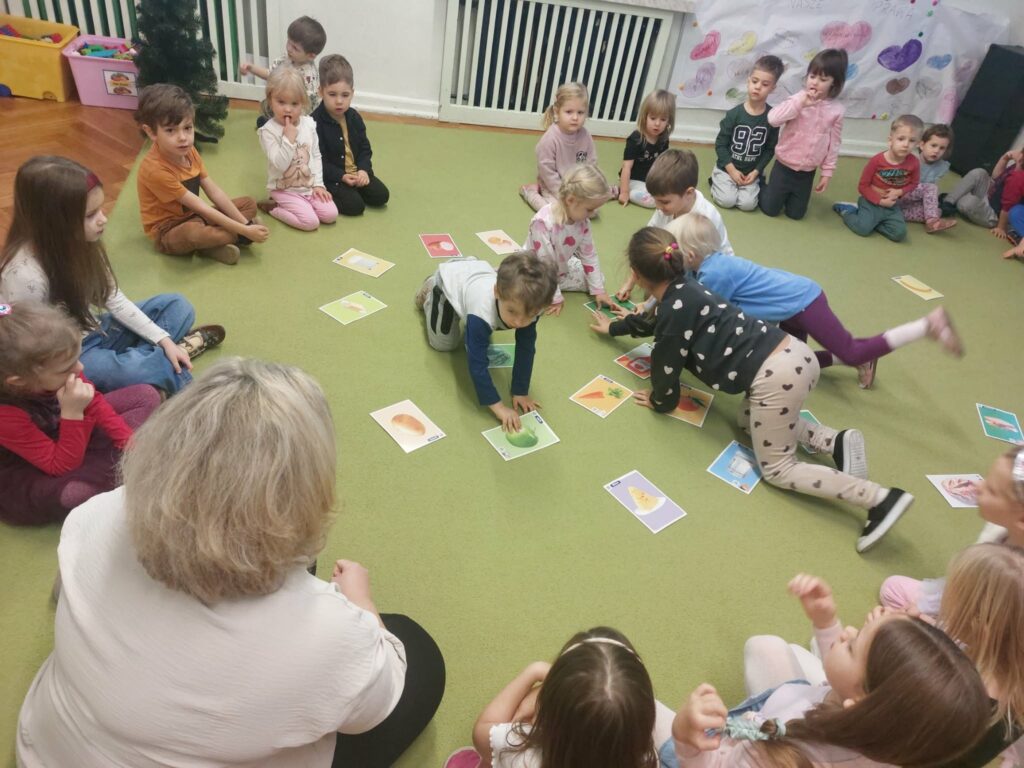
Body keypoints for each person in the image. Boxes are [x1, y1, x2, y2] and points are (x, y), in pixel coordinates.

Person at [16, 357, 446, 768]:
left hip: (45, 750)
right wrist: (362, 605)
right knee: (418, 653)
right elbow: (372, 710)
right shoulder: (329, 636)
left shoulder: (96, 512)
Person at [592, 227, 913, 553]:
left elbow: (666, 362)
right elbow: (654, 322)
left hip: (776, 376)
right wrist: (615, 327)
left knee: (778, 469)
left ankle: (879, 498)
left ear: (636, 275)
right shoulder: (687, 286)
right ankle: (833, 440)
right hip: (793, 353)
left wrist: (661, 399)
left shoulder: (673, 308)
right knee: (747, 419)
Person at [665, 573, 990, 767]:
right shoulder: (882, 733)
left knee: (646, 713)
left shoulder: (775, 757)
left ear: (860, 703)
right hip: (790, 711)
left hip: (737, 745)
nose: (846, 631)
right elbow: (840, 679)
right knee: (766, 646)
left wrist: (685, 739)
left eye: (852, 645)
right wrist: (825, 623)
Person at [0, 155, 223, 394]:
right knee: (135, 370)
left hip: (97, 329)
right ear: (53, 221)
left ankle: (155, 363)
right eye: (90, 215)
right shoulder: (24, 276)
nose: (103, 219)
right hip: (71, 357)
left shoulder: (79, 243)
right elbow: (32, 354)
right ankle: (164, 365)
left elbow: (112, 298)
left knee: (179, 306)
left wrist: (162, 339)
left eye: (100, 209)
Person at [666, 213, 963, 389]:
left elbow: (707, 315)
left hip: (804, 301)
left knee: (851, 350)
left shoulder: (714, 273)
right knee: (793, 361)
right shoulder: (707, 265)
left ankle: (926, 325)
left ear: (690, 255)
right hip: (789, 305)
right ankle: (855, 358)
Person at [0, 301, 159, 526]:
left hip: (72, 429)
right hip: (36, 465)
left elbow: (96, 404)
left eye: (78, 359)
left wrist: (130, 444)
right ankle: (112, 470)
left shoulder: (66, 371)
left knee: (145, 395)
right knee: (75, 493)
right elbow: (60, 466)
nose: (80, 369)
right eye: (67, 368)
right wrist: (72, 413)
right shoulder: (6, 415)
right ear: (19, 382)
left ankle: (114, 467)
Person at [444, 627, 675, 768]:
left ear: (547, 714)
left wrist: (534, 671)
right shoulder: (647, 757)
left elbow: (482, 731)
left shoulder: (522, 754)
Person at [415, 251, 556, 432]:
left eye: (529, 315)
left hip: (477, 274)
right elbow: (477, 365)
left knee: (483, 332)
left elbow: (526, 349)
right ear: (497, 292)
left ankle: (470, 265)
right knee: (443, 344)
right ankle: (432, 286)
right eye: (512, 311)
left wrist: (520, 391)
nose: (519, 322)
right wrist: (498, 407)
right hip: (452, 279)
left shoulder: (531, 306)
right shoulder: (481, 312)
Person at [135, 84, 269, 265]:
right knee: (193, 234)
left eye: (187, 128)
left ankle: (213, 244)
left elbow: (214, 192)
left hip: (195, 216)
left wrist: (244, 225)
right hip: (169, 230)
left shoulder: (188, 151)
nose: (183, 137)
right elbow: (202, 207)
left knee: (248, 203)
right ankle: (223, 239)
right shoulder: (155, 170)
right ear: (151, 132)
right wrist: (245, 230)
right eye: (170, 130)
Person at [616, 148, 734, 303]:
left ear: (689, 193)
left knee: (661, 299)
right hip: (681, 263)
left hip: (709, 276)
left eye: (664, 202)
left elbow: (703, 270)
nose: (658, 207)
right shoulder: (666, 208)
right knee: (651, 290)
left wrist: (649, 304)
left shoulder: (704, 218)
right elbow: (649, 243)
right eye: (655, 200)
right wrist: (630, 283)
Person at [759, 49, 847, 220]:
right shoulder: (797, 99)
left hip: (807, 172)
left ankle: (787, 197)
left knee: (796, 214)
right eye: (812, 76)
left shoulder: (837, 111)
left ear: (834, 84)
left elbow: (834, 143)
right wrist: (801, 104)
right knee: (770, 210)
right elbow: (773, 119)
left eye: (823, 79)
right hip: (783, 167)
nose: (815, 82)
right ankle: (762, 184)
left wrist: (827, 172)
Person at [526, 163, 614, 315]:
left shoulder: (583, 222)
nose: (593, 214)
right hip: (535, 270)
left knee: (599, 279)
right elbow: (545, 264)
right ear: (570, 200)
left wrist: (598, 290)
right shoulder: (542, 223)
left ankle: (555, 285)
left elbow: (589, 255)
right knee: (529, 293)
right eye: (589, 209)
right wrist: (555, 297)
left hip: (558, 269)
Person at [256, 67, 338, 230]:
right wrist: (288, 140)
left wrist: (319, 184)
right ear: (270, 100)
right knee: (311, 223)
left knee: (331, 215)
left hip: (309, 186)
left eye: (294, 103)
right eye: (281, 102)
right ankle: (273, 207)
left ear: (303, 102)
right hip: (283, 190)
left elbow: (315, 155)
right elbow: (280, 165)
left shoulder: (309, 125)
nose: (288, 109)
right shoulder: (268, 131)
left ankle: (306, 204)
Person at [313, 54, 391, 216]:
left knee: (381, 196)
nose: (339, 101)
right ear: (321, 91)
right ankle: (339, 195)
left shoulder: (354, 117)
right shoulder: (315, 122)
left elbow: (365, 149)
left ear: (352, 93)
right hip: (334, 178)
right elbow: (318, 161)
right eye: (332, 94)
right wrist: (341, 176)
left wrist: (363, 170)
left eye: (345, 95)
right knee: (355, 207)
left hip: (357, 173)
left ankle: (355, 190)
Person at [832, 115, 922, 242]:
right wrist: (880, 201)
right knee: (862, 229)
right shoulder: (877, 161)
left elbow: (914, 183)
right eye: (901, 139)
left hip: (892, 205)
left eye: (912, 141)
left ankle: (873, 222)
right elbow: (863, 186)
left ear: (917, 144)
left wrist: (899, 192)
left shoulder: (914, 162)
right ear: (890, 140)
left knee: (899, 234)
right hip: (871, 202)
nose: (906, 144)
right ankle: (848, 210)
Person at [711, 55, 783, 212]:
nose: (757, 87)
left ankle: (750, 184)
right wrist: (731, 170)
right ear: (748, 81)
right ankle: (716, 179)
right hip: (727, 169)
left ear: (773, 88)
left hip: (751, 172)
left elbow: (770, 149)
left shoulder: (773, 118)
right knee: (727, 201)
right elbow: (721, 144)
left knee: (748, 205)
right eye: (755, 81)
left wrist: (756, 172)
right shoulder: (734, 114)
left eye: (765, 84)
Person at [520, 82, 598, 212]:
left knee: (592, 211)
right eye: (569, 112)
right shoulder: (550, 138)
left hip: (576, 188)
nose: (575, 117)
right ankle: (530, 192)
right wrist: (563, 194)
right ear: (557, 111)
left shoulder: (585, 136)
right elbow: (546, 170)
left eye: (580, 112)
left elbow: (591, 163)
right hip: (552, 187)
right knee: (554, 212)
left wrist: (586, 187)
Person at [239, 15, 326, 127]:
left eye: (295, 48)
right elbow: (270, 75)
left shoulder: (308, 76)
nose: (289, 48)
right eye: (289, 42)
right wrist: (251, 68)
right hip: (282, 104)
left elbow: (306, 107)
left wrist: (291, 123)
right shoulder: (287, 58)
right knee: (264, 116)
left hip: (299, 115)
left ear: (310, 56)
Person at [943, 147, 1024, 258]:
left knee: (966, 202)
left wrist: (1001, 227)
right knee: (979, 172)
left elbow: (1008, 206)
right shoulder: (1018, 165)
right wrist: (1005, 158)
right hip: (990, 197)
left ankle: (956, 198)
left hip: (997, 215)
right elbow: (996, 178)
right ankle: (947, 202)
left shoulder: (1019, 177)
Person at [618, 89, 675, 208]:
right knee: (653, 202)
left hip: (650, 181)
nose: (657, 124)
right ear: (645, 117)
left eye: (663, 119)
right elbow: (626, 167)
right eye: (653, 118)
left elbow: (662, 166)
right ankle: (623, 191)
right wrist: (624, 192)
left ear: (669, 121)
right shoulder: (636, 139)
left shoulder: (663, 139)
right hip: (633, 181)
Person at [897, 123, 957, 233]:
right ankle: (932, 222)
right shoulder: (911, 160)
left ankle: (895, 213)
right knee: (931, 188)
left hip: (913, 201)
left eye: (942, 148)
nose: (936, 151)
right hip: (900, 194)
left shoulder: (942, 166)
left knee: (937, 210)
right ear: (922, 145)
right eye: (933, 145)